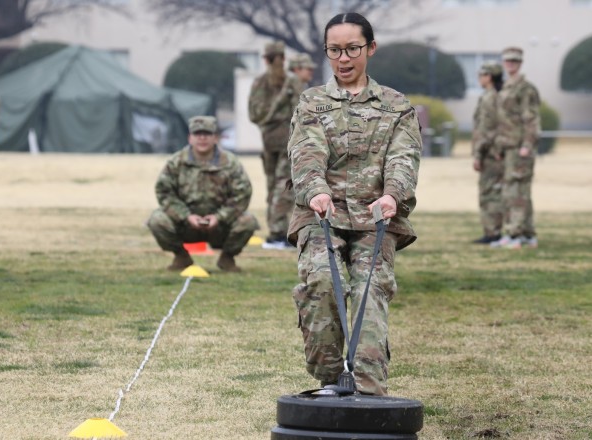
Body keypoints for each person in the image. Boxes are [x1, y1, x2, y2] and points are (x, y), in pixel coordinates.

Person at [287, 13, 422, 396]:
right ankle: (331, 378)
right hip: (320, 213)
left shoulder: (397, 107)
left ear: (370, 48)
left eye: (351, 49)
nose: (343, 59)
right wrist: (316, 190)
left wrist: (392, 195)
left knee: (370, 289)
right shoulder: (312, 102)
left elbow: (404, 158)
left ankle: (366, 386)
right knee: (322, 281)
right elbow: (306, 153)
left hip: (375, 217)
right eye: (334, 50)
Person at [146, 116, 259, 272]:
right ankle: (181, 257)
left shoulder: (231, 163)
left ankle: (227, 258)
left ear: (216, 138)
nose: (202, 138)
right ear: (190, 138)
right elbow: (165, 193)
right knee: (157, 220)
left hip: (220, 226)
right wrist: (186, 216)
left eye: (207, 134)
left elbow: (242, 194)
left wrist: (219, 217)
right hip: (185, 224)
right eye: (197, 134)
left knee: (248, 221)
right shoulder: (176, 162)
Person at [248, 41, 303, 250]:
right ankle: (276, 232)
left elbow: (299, 111)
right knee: (278, 187)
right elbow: (255, 114)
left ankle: (277, 230)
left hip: (281, 142)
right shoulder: (266, 83)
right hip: (275, 142)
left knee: (278, 186)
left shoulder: (285, 82)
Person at [491, 47, 541, 249]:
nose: (510, 64)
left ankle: (515, 233)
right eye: (507, 60)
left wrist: (527, 145)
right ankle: (527, 234)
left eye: (514, 61)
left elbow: (531, 119)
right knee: (517, 191)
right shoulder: (507, 87)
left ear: (520, 63)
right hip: (508, 147)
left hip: (520, 147)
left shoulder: (525, 88)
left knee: (516, 192)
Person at [471, 62, 504, 244]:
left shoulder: (490, 98)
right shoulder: (494, 96)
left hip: (490, 154)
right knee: (492, 192)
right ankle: (493, 231)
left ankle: (493, 233)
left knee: (489, 193)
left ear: (489, 76)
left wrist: (479, 154)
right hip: (492, 152)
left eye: (482, 74)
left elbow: (487, 129)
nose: (479, 78)